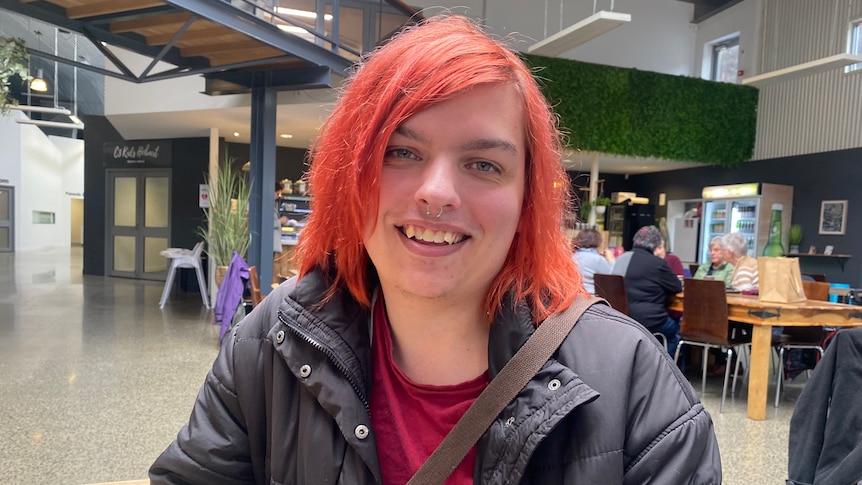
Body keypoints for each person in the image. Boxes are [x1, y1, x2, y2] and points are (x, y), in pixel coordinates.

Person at [149, 15, 720, 484]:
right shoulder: (270, 343)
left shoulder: (635, 386)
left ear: (527, 200)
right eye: (401, 152)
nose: (437, 193)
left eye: (483, 164)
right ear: (351, 171)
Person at [611, 225, 683, 357]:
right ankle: (665, 371)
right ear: (655, 246)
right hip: (649, 319)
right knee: (675, 333)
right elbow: (676, 287)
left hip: (621, 317)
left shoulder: (621, 259)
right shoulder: (657, 263)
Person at [571, 227, 614, 294]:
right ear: (598, 242)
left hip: (575, 294)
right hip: (592, 296)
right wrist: (611, 260)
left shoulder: (573, 257)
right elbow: (612, 278)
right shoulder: (598, 259)